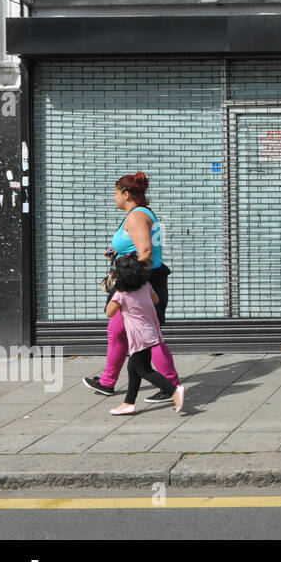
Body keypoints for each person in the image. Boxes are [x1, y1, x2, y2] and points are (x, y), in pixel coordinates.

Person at [83, 171, 180, 401]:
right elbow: (139, 248)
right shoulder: (138, 214)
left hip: (140, 285)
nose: (114, 198)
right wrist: (119, 253)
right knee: (117, 331)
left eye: (116, 194)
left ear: (126, 194)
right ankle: (107, 382)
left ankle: (172, 385)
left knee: (149, 337)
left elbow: (146, 253)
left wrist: (127, 282)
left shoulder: (136, 217)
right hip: (141, 282)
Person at [106, 254, 185, 415]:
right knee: (133, 367)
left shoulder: (121, 294)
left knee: (144, 370)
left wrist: (116, 291)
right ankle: (129, 402)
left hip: (139, 337)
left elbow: (109, 312)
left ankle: (173, 390)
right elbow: (155, 300)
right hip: (151, 331)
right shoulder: (147, 286)